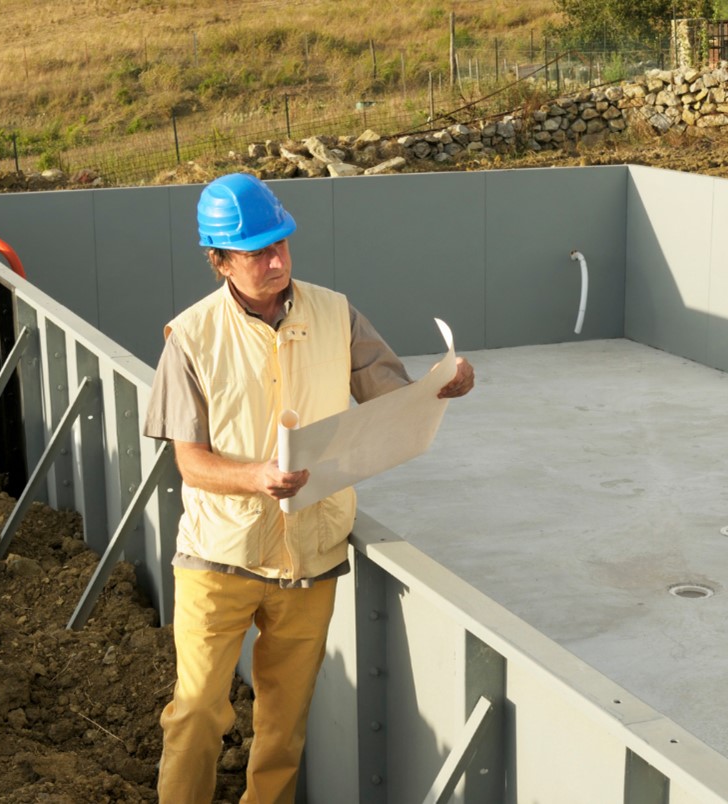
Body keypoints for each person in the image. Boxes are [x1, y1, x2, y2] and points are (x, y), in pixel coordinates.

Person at [143, 172, 474, 804]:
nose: (275, 261)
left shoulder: (335, 312)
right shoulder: (190, 337)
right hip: (220, 558)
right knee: (196, 715)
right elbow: (191, 464)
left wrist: (443, 384)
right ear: (219, 261)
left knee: (283, 728)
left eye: (282, 246)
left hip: (311, 557)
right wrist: (256, 478)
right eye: (256, 252)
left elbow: (392, 398)